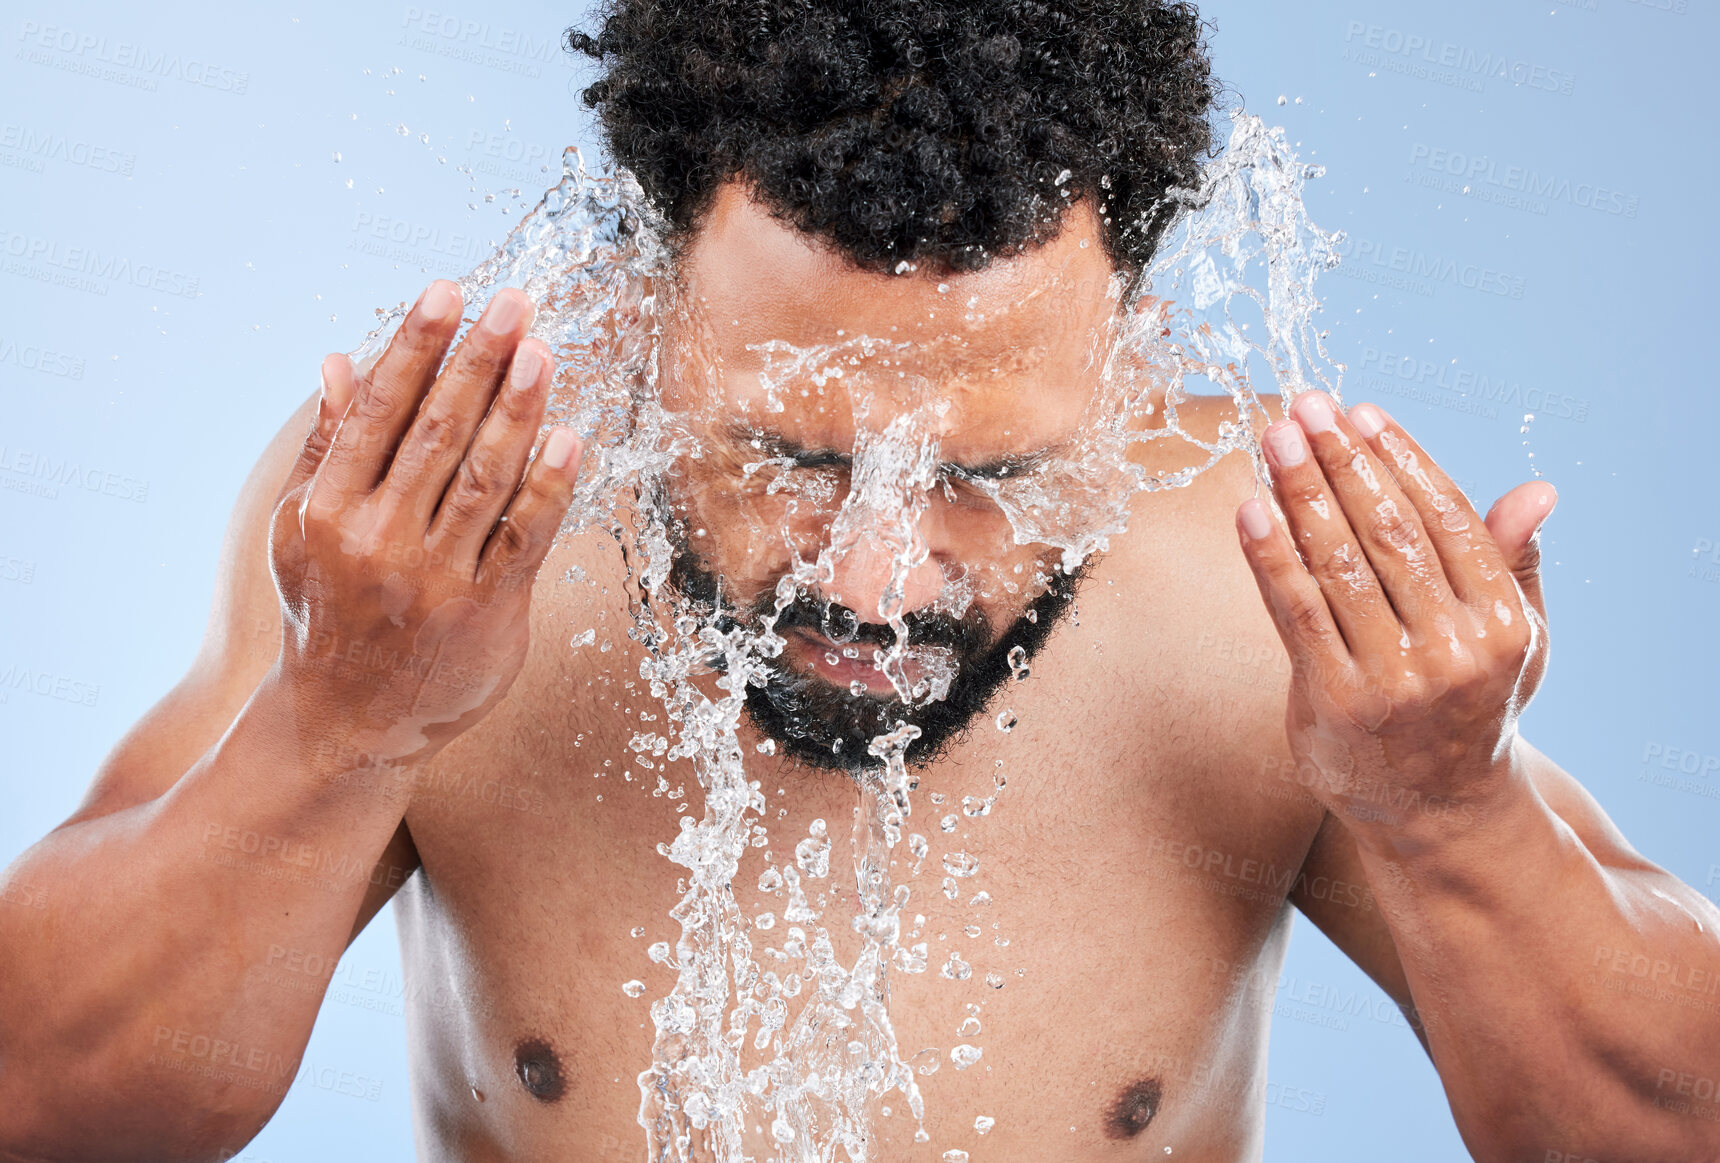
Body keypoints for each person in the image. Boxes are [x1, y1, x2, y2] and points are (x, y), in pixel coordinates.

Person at [2, 2, 1716, 1160]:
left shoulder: (1259, 588)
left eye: (991, 474)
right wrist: (338, 725)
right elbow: (46, 1099)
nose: (884, 577)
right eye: (795, 455)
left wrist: (1454, 812)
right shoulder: (426, 534)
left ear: (1132, 366)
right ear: (643, 310)